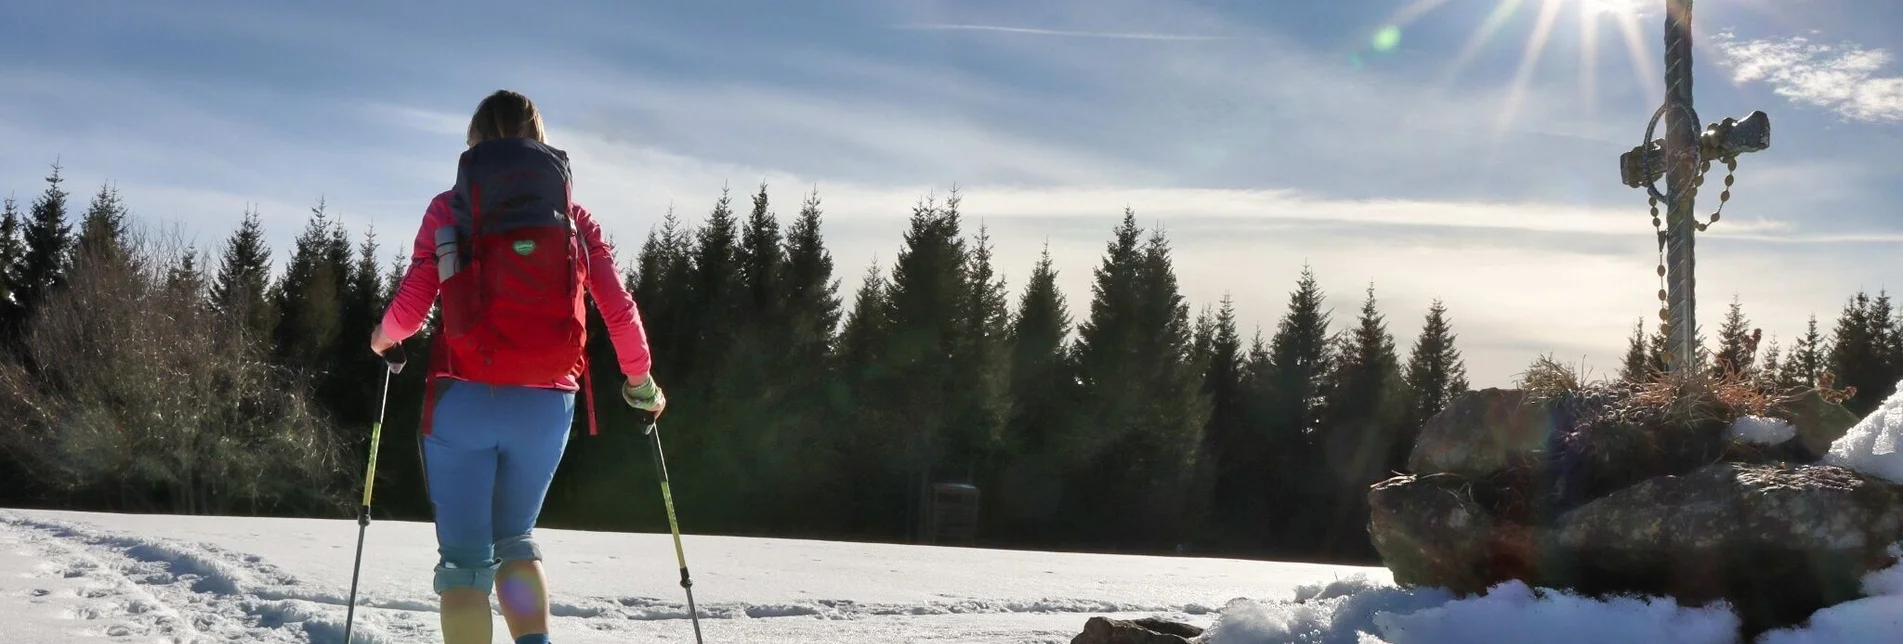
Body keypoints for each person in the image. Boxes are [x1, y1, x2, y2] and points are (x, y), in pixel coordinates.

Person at [370, 89, 666, 644]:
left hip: (462, 398)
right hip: (548, 402)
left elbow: (411, 306)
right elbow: (619, 309)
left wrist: (382, 339)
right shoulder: (573, 217)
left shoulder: (448, 207)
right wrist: (641, 384)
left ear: (474, 146)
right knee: (516, 540)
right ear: (540, 143)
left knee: (463, 561)